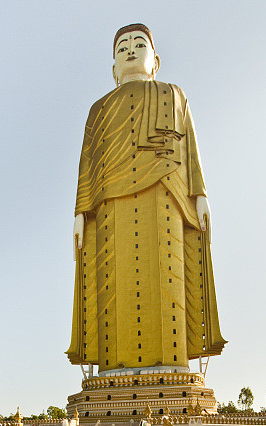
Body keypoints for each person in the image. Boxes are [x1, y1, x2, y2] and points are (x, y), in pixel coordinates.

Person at [67, 23, 226, 374]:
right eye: (122, 46)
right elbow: (87, 161)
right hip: (110, 205)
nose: (130, 50)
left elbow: (191, 150)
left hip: (165, 197)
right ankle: (112, 372)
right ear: (113, 69)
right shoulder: (99, 109)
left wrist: (199, 194)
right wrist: (80, 211)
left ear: (155, 60)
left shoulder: (174, 94)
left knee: (169, 280)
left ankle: (173, 369)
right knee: (112, 288)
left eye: (139, 44)